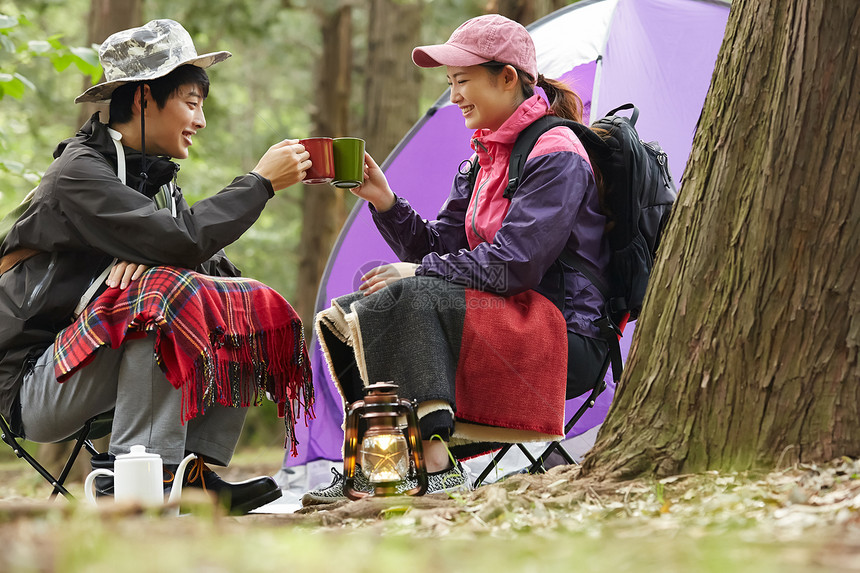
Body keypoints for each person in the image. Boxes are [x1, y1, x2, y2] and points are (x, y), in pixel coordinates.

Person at [0, 19, 313, 515]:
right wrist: (258, 183)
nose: (201, 121)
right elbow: (183, 240)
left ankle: (195, 473)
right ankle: (137, 475)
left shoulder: (155, 185)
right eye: (192, 103)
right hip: (36, 383)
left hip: (95, 363)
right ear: (144, 99)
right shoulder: (79, 174)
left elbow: (205, 265)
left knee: (243, 300)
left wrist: (152, 254)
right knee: (160, 296)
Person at [304, 14, 609, 505]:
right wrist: (385, 202)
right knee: (356, 309)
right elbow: (440, 254)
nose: (454, 97)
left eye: (463, 82)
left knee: (412, 291)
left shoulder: (557, 153)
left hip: (564, 334)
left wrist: (420, 273)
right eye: (450, 84)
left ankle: (433, 468)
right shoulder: (483, 160)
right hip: (503, 319)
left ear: (507, 77)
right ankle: (375, 461)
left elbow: (514, 265)